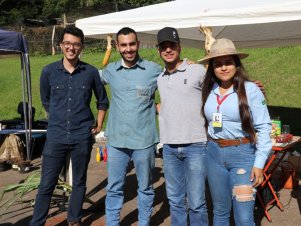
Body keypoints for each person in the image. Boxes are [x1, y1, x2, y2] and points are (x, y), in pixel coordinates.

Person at [30, 26, 109, 226]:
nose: (71, 48)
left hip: (82, 134)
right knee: (47, 183)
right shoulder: (48, 72)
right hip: (56, 135)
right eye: (67, 43)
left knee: (79, 182)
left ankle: (73, 220)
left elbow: (102, 100)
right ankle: (37, 222)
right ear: (61, 45)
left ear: (81, 46)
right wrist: (58, 118)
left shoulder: (90, 72)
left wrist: (99, 124)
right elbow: (46, 101)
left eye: (75, 44)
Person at [200, 38, 272, 226]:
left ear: (236, 64)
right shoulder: (209, 88)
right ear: (212, 68)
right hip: (213, 154)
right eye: (218, 64)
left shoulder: (250, 89)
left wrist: (259, 163)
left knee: (243, 217)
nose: (223, 68)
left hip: (243, 156)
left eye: (228, 62)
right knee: (220, 212)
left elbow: (264, 127)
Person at [100, 27, 162, 226]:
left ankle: (144, 222)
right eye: (124, 45)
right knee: (114, 187)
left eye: (132, 44)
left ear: (138, 44)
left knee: (145, 187)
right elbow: (86, 79)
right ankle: (112, 223)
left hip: (143, 141)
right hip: (117, 141)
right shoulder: (110, 71)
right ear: (117, 46)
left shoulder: (153, 70)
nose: (128, 49)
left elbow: (176, 84)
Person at [156, 27, 208, 226]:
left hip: (196, 145)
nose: (168, 50)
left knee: (196, 202)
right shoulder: (160, 78)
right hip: (169, 147)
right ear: (158, 50)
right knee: (175, 201)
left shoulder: (197, 70)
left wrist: (248, 86)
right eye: (164, 46)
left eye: (172, 45)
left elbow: (221, 87)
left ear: (179, 46)